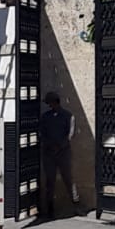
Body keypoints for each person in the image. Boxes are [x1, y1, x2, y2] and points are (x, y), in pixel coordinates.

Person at [38, 91, 80, 219]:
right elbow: (42, 133)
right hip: (49, 152)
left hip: (63, 152)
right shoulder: (45, 117)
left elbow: (70, 134)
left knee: (68, 179)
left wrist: (60, 145)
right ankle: (49, 208)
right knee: (50, 181)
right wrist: (50, 145)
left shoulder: (68, 116)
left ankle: (76, 205)